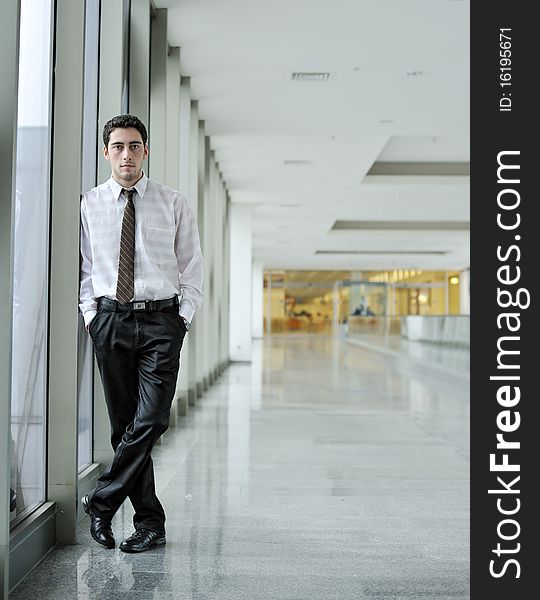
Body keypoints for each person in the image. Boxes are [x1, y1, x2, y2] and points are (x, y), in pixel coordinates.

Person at [79, 114, 203, 553]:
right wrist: (91, 316)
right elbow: (86, 268)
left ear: (145, 151)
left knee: (151, 420)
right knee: (124, 428)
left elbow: (191, 267)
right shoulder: (88, 204)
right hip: (110, 320)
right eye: (118, 146)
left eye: (134, 146)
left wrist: (181, 318)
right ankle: (150, 523)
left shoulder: (173, 202)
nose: (126, 154)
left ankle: (102, 501)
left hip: (160, 322)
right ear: (106, 152)